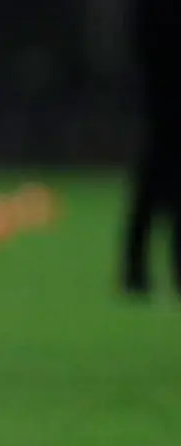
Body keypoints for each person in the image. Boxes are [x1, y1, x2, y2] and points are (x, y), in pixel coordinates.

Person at [121, 0, 179, 298]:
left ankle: (135, 268)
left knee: (154, 179)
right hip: (164, 95)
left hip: (160, 96)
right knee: (156, 176)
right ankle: (135, 268)